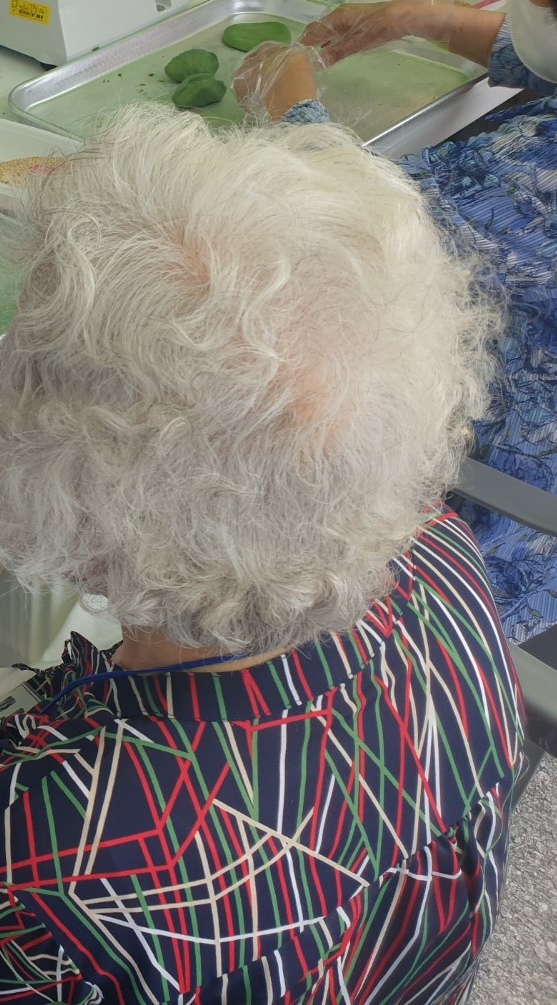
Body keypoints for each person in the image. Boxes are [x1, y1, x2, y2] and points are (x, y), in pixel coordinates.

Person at [0, 105, 526, 1003]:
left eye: (5, 370)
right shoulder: (446, 557)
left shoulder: (52, 854)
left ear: (94, 535)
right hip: (403, 967)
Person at [234, 0, 557, 645]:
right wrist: (441, 23)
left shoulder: (533, 178)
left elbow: (363, 222)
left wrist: (288, 111)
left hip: (495, 537)